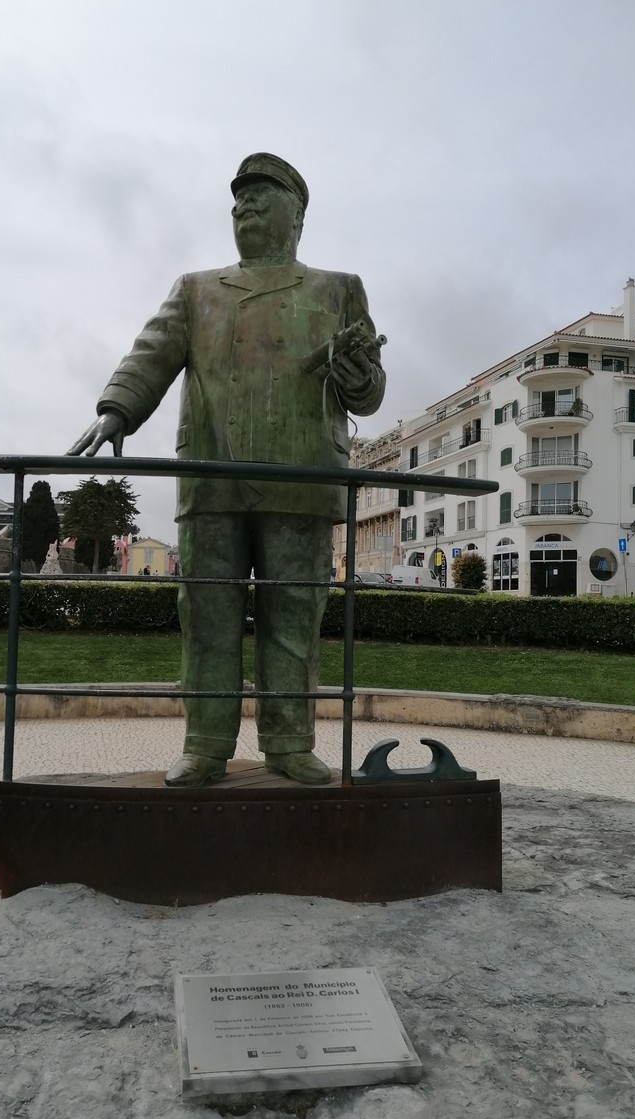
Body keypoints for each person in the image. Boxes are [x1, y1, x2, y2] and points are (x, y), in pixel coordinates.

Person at [68, 153, 385, 787]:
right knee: (207, 617)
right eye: (239, 198)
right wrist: (117, 409)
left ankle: (289, 743)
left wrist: (359, 377)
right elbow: (152, 351)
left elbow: (370, 392)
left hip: (303, 478)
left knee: (294, 618)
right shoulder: (196, 289)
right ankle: (206, 744)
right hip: (212, 475)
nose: (244, 206)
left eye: (261, 195)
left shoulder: (338, 289)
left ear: (296, 214)